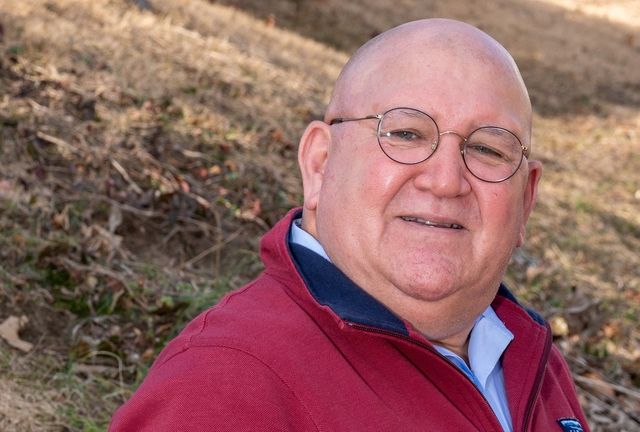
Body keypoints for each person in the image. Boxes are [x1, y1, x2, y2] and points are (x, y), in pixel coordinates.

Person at [110, 18, 589, 432]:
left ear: (526, 200)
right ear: (320, 164)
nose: (446, 181)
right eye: (405, 133)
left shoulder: (529, 361)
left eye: (487, 148)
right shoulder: (226, 388)